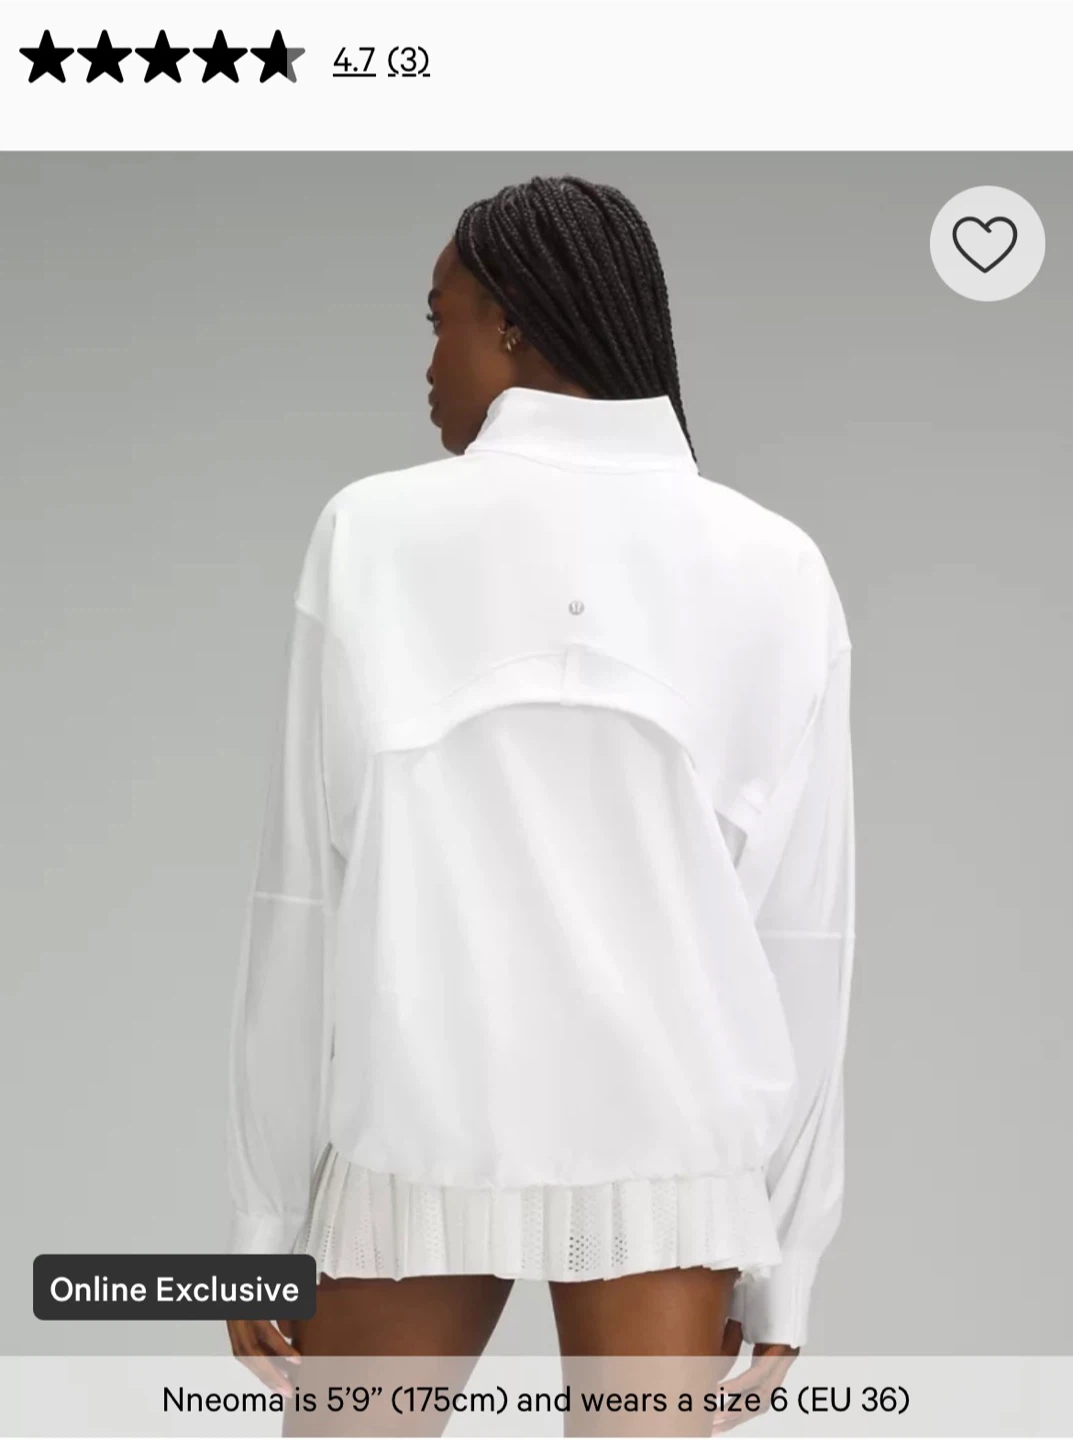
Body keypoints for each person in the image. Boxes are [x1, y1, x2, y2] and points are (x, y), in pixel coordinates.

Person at [225, 175, 855, 1431]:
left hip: (420, 1130)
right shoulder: (772, 563)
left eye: (439, 319)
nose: (428, 363)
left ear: (509, 323)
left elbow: (304, 894)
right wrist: (783, 1257)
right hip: (672, 1156)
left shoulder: (373, 535)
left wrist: (262, 1224)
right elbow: (800, 934)